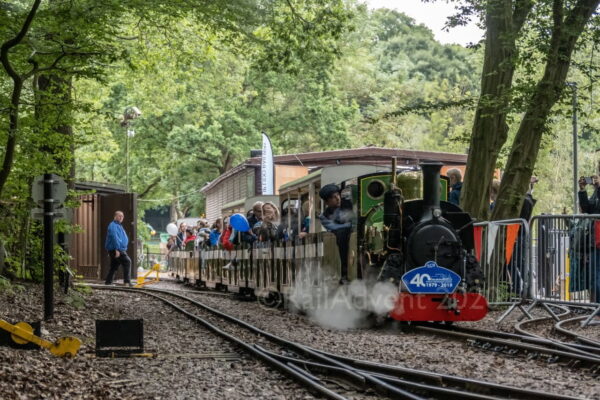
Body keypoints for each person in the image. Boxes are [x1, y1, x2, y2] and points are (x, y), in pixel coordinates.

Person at [318, 184, 353, 284]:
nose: (337, 198)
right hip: (341, 238)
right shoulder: (324, 216)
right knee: (341, 234)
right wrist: (350, 225)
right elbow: (334, 227)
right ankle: (344, 272)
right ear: (326, 202)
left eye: (338, 195)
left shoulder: (349, 205)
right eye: (333, 197)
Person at [576, 175, 600, 303]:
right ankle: (597, 310)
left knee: (596, 275)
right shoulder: (597, 191)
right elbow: (587, 209)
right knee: (594, 276)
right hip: (595, 239)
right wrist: (582, 190)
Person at [104, 211, 132, 286]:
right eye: (119, 216)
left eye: (122, 216)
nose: (121, 217)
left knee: (114, 266)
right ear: (115, 216)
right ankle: (127, 282)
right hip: (117, 249)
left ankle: (108, 282)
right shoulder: (113, 225)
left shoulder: (118, 225)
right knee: (127, 261)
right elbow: (114, 237)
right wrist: (117, 249)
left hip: (118, 249)